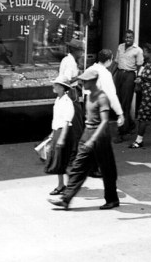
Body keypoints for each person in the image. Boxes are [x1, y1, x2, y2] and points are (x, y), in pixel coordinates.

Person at [48, 70, 120, 211]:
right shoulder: (89, 96)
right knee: (78, 168)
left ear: (92, 82)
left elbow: (104, 121)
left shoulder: (101, 97)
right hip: (88, 133)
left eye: (85, 81)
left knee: (107, 170)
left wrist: (92, 140)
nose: (83, 83)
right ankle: (65, 199)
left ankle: (112, 200)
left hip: (100, 137)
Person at [76, 49, 124, 128]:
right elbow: (111, 95)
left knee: (88, 128)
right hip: (98, 106)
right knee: (98, 130)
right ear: (108, 60)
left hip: (87, 104)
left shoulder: (89, 69)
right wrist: (119, 113)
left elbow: (83, 88)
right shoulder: (105, 74)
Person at [128, 43, 151, 148]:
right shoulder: (145, 63)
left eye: (144, 52)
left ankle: (139, 140)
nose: (143, 53)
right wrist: (139, 81)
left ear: (150, 53)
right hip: (145, 93)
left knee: (143, 116)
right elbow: (142, 76)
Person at [45, 76, 75, 195]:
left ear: (62, 88)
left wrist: (62, 137)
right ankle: (61, 184)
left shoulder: (67, 102)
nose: (54, 86)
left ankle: (70, 185)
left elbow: (67, 121)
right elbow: (56, 118)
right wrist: (53, 133)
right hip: (57, 131)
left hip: (64, 132)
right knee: (58, 160)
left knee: (64, 160)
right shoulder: (58, 99)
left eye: (56, 85)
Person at [113, 29, 144, 143]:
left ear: (133, 38)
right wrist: (110, 74)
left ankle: (122, 132)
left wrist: (138, 80)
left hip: (130, 75)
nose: (128, 39)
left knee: (125, 104)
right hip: (119, 74)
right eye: (126, 37)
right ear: (123, 38)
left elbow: (140, 66)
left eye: (130, 37)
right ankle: (130, 124)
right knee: (118, 101)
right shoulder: (120, 47)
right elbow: (116, 62)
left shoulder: (138, 50)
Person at [59, 39, 85, 148]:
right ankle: (75, 149)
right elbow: (67, 80)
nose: (82, 53)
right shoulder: (70, 63)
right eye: (81, 51)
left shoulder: (67, 59)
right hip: (71, 93)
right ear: (75, 51)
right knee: (76, 123)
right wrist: (80, 77)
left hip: (67, 93)